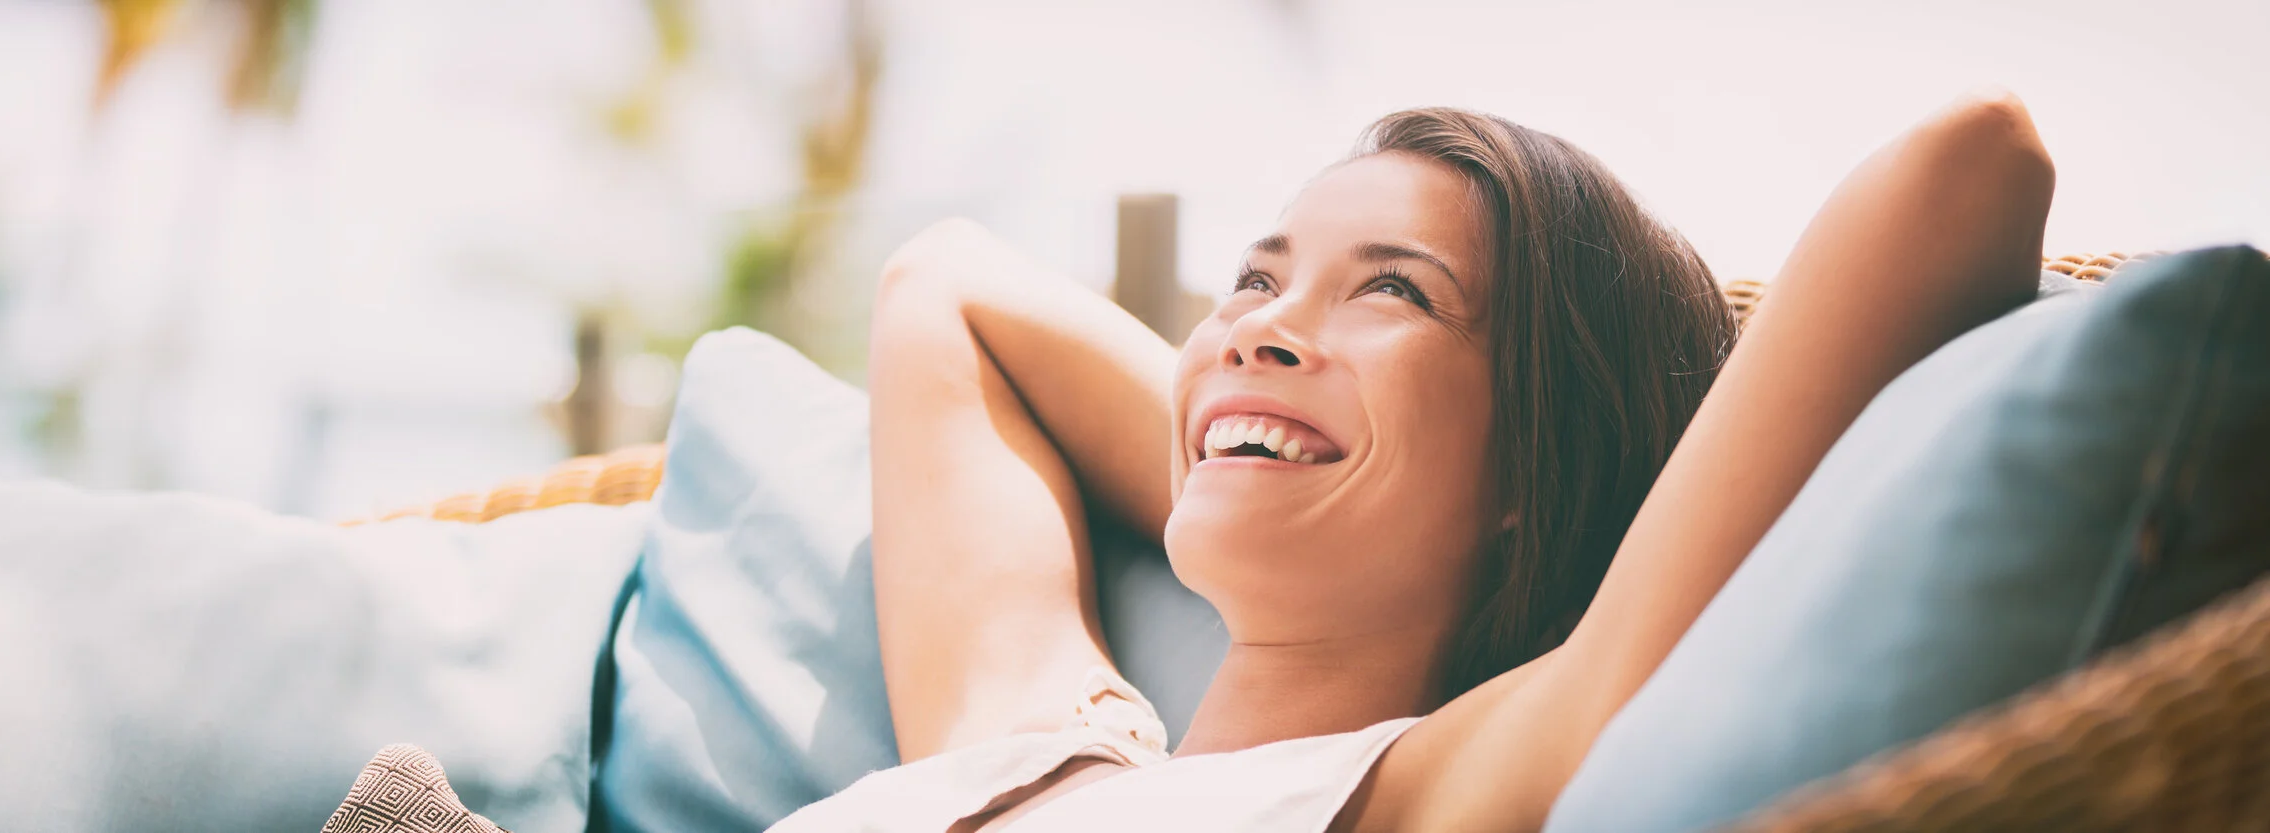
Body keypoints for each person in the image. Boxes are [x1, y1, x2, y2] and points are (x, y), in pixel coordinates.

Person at [771, 92, 2055, 832]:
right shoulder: (1031, 739)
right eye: (1255, 278)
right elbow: (944, 285)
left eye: (1393, 290)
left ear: (1530, 464)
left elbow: (1973, 165)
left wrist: (1315, 464)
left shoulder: (1425, 788)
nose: (1258, 325)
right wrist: (1256, 447)